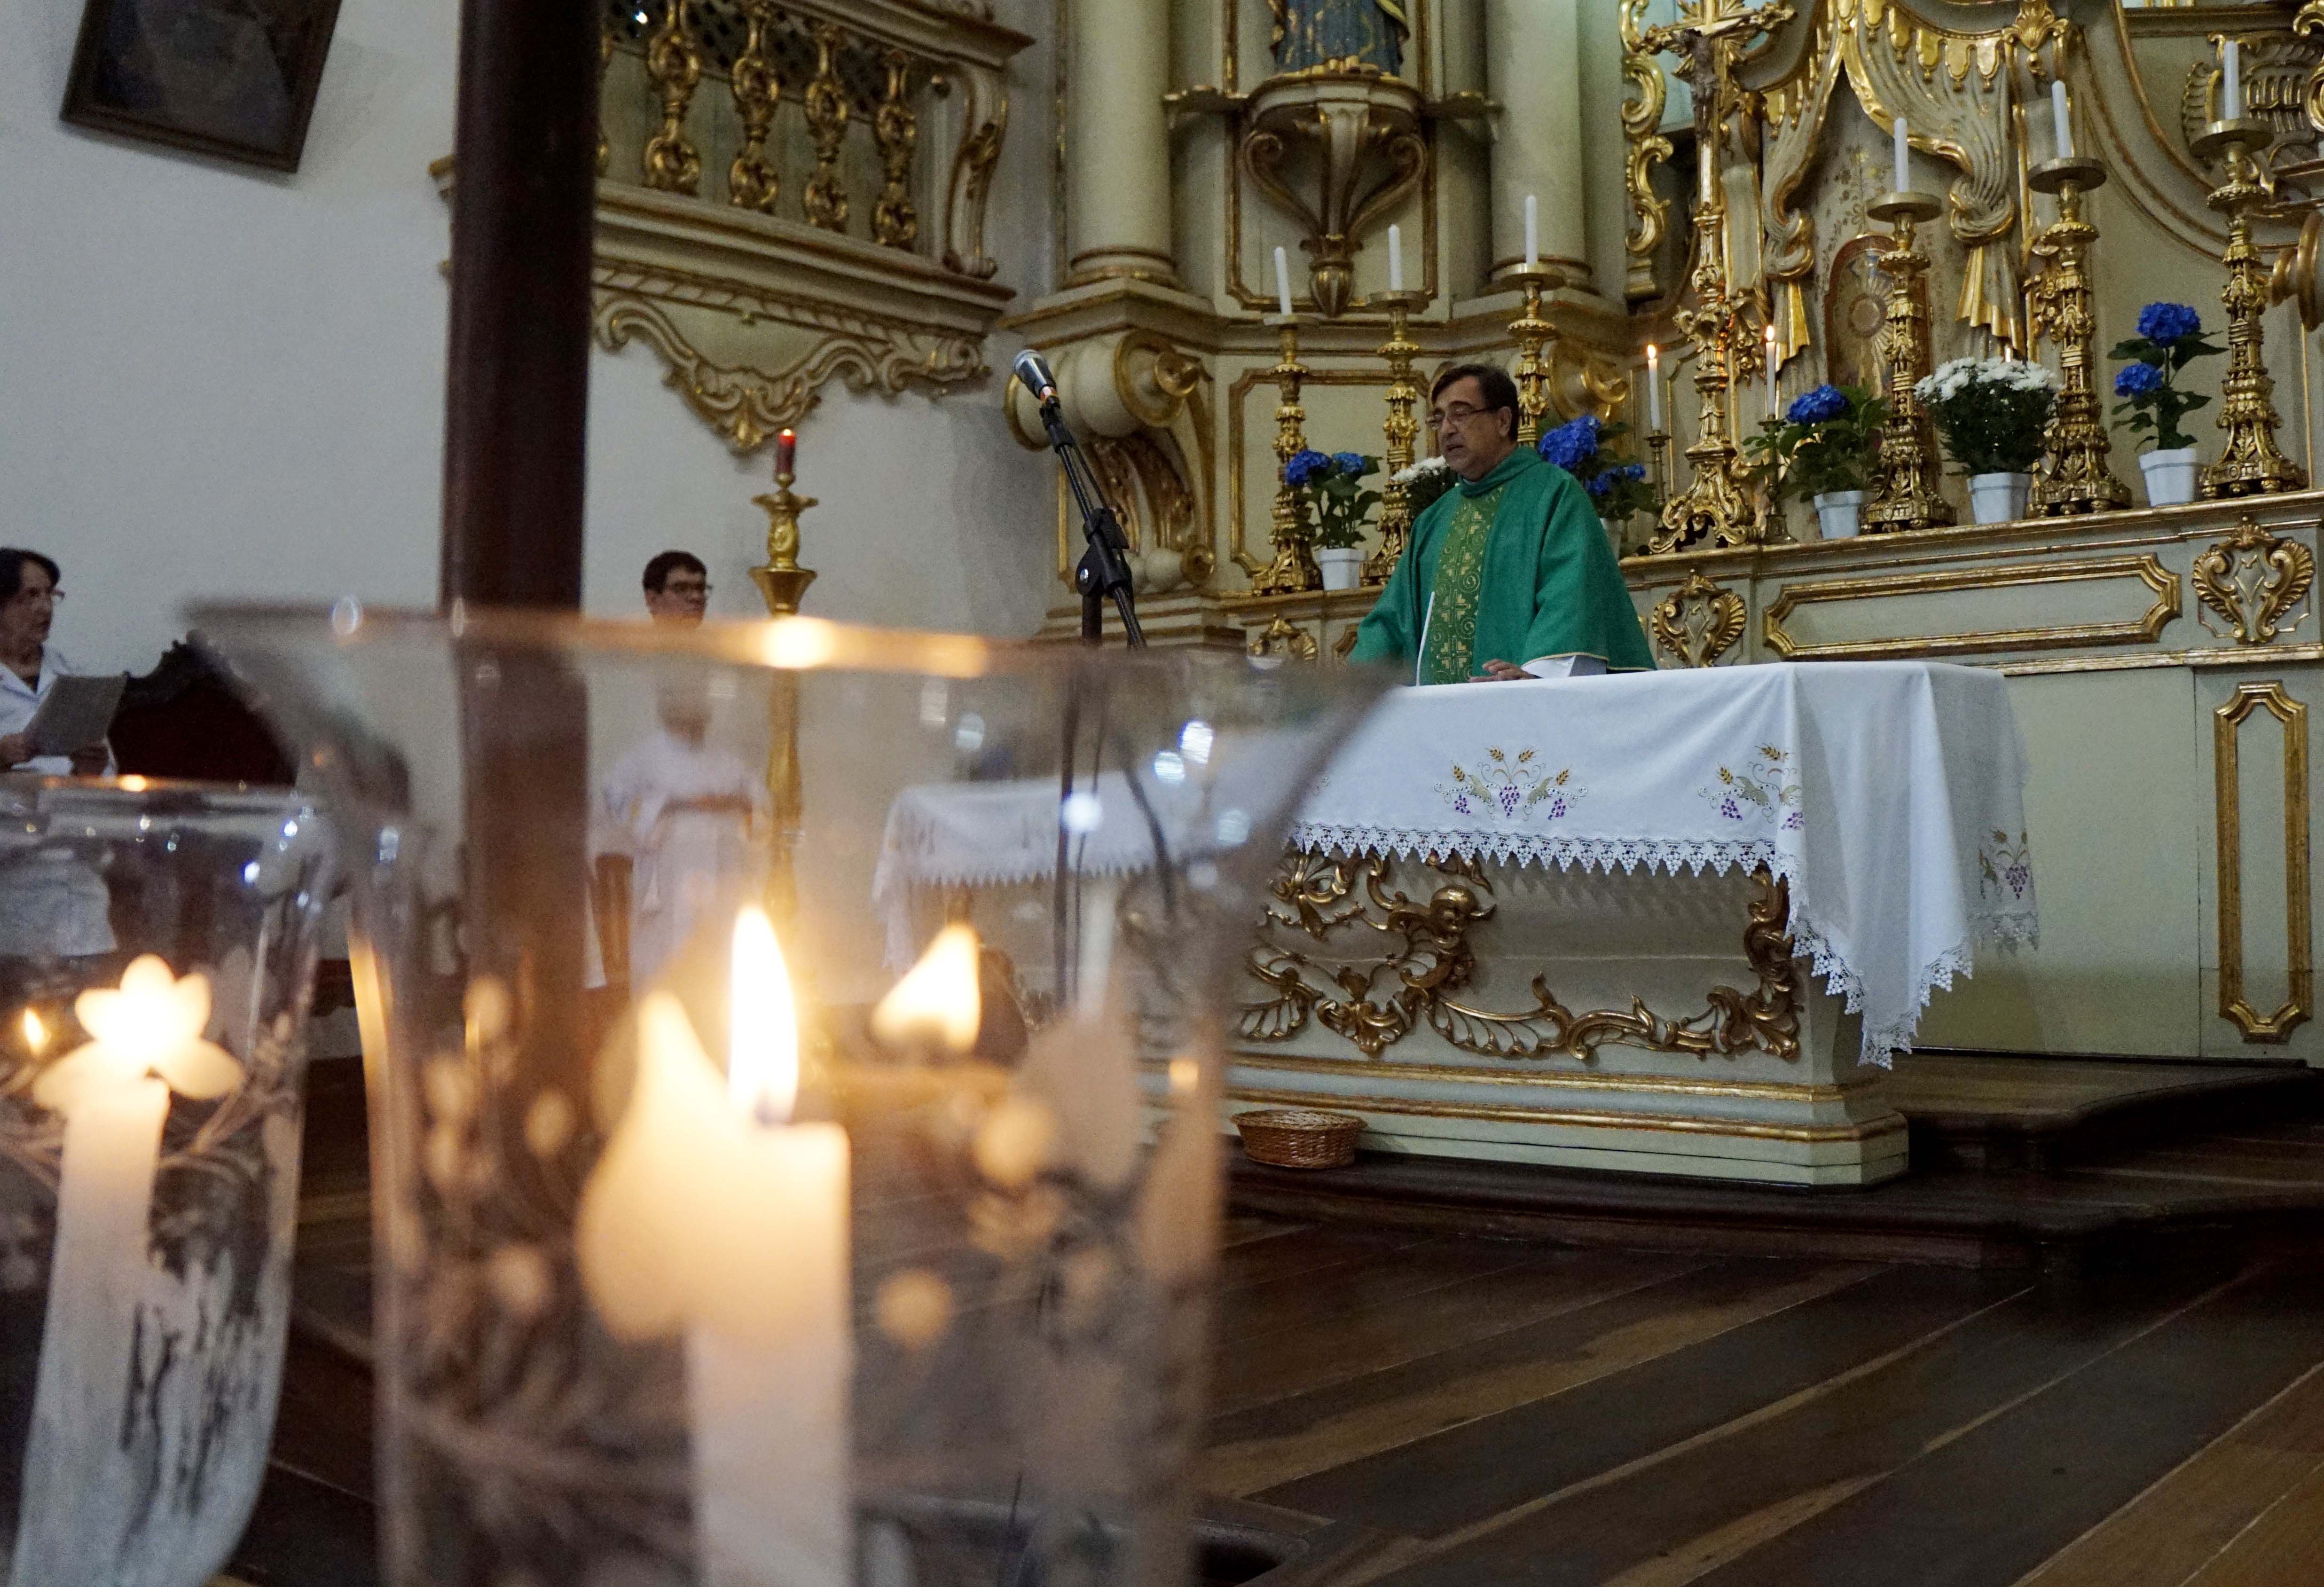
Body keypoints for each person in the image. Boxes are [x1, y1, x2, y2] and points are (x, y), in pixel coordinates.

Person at [1348, 364, 1654, 683]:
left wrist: (1535, 676)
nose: (1447, 430)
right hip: (1439, 709)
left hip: (1522, 704)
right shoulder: (1433, 520)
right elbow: (1393, 620)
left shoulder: (1553, 495)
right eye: (1439, 419)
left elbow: (1573, 599)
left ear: (1503, 421)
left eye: (1460, 414)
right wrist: (1354, 685)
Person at [0, 549, 114, 774]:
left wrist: (89, 769)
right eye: (31, 596)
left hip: (68, 795)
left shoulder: (74, 677)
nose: (46, 608)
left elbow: (108, 775)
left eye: (50, 595)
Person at [643, 550, 711, 627]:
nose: (696, 597)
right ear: (653, 600)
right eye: (681, 589)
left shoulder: (719, 632)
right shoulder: (634, 633)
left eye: (701, 589)